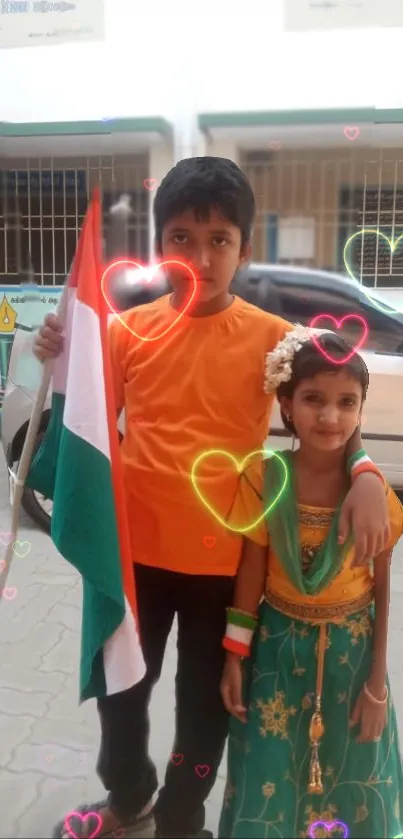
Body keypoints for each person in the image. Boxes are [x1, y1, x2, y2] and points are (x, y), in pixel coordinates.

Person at [33, 157, 390, 839]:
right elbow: (85, 422)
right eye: (180, 239)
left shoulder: (272, 343)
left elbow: (332, 410)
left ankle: (179, 817)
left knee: (206, 705)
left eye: (218, 240)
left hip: (225, 565)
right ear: (158, 246)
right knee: (121, 696)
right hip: (132, 560)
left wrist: (367, 471)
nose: (199, 257)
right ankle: (127, 795)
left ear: (244, 248)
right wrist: (57, 350)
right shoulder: (124, 332)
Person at [219, 327, 403, 839]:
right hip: (275, 654)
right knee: (272, 771)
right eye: (314, 400)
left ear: (362, 410)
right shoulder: (264, 476)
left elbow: (382, 590)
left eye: (347, 403)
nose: (330, 417)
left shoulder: (372, 495)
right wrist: (235, 654)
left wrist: (378, 686)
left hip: (352, 654)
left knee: (354, 773)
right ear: (286, 404)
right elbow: (251, 568)